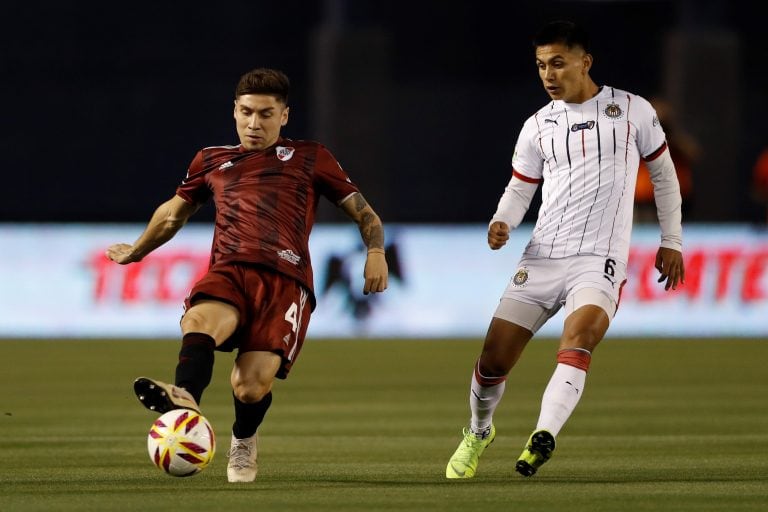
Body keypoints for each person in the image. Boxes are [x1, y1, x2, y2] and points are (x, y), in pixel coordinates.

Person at [106, 68, 388, 483]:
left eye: (266, 114)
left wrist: (376, 250)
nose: (254, 123)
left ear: (285, 116)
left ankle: (243, 440)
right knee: (199, 321)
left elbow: (362, 211)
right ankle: (185, 397)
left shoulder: (312, 157)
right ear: (234, 111)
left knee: (250, 386)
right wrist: (138, 249)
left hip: (286, 281)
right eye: (246, 112)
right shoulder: (210, 160)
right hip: (230, 269)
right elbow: (173, 213)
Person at [445, 21, 685, 479]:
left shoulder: (633, 110)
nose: (548, 74)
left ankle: (544, 435)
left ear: (585, 62)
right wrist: (503, 221)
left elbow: (665, 177)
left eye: (557, 63)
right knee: (493, 359)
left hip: (600, 259)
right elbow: (520, 187)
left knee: (581, 337)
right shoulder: (538, 125)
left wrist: (671, 241)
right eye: (540, 66)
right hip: (543, 256)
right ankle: (478, 432)